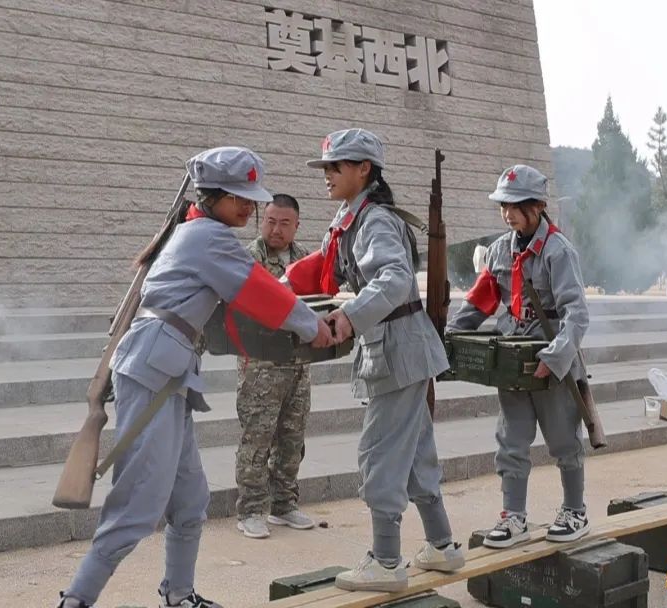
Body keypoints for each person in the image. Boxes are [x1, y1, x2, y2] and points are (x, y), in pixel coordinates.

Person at [56, 147, 334, 608]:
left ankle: (178, 596)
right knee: (138, 505)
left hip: (167, 370)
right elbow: (258, 290)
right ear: (212, 197)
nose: (248, 206)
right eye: (237, 197)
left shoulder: (198, 232)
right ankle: (75, 601)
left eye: (250, 198)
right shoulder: (208, 237)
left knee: (189, 500)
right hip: (155, 371)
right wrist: (312, 325)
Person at [286, 128, 465, 593]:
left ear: (364, 169)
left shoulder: (375, 220)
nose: (327, 175)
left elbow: (394, 277)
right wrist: (276, 290)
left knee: (379, 454)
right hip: (397, 348)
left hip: (398, 348)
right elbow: (322, 266)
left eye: (336, 166)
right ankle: (442, 546)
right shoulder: (352, 217)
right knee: (416, 453)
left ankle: (386, 562)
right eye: (326, 167)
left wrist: (348, 317)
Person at [446, 164, 591, 547]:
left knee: (563, 439)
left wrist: (555, 358)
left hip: (552, 360)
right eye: (503, 205)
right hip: (511, 361)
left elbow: (576, 313)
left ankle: (575, 511)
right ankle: (514, 517)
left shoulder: (558, 251)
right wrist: (448, 337)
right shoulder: (499, 251)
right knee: (511, 441)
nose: (508, 213)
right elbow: (478, 303)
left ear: (538, 206)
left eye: (516, 205)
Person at [234, 194, 316, 538]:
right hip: (261, 368)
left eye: (284, 223)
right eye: (270, 221)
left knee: (292, 440)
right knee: (257, 440)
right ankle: (251, 510)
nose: (276, 229)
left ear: (296, 226)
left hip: (299, 365)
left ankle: (284, 505)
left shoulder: (306, 260)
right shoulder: (247, 259)